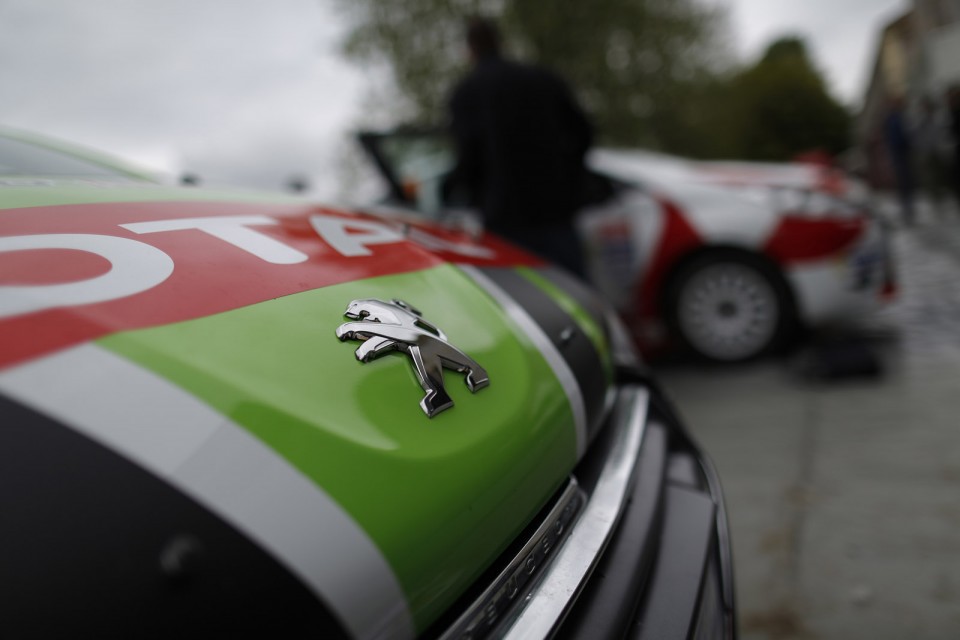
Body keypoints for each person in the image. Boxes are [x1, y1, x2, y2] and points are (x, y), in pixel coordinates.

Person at [444, 17, 593, 277]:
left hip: (505, 219)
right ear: (501, 42)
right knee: (576, 293)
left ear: (469, 50)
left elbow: (468, 158)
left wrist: (452, 190)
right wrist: (570, 179)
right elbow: (584, 134)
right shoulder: (544, 79)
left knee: (524, 302)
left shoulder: (466, 93)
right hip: (556, 211)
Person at [883, 95, 915, 225]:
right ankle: (906, 208)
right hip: (897, 153)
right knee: (902, 181)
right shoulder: (891, 119)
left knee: (907, 180)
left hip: (903, 152)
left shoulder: (902, 117)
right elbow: (890, 137)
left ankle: (909, 208)